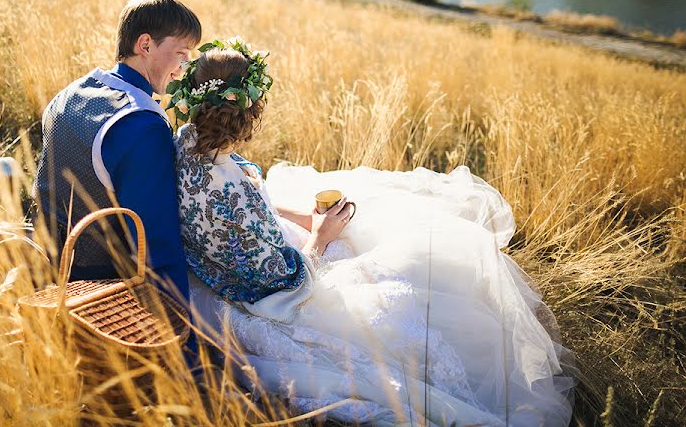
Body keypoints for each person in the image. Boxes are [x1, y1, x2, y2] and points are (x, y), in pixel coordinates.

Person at [170, 38, 576, 426]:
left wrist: (308, 220)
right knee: (400, 275)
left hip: (238, 252)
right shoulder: (233, 194)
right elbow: (287, 285)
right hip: (270, 294)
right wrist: (322, 237)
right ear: (249, 112)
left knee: (370, 224)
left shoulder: (185, 143)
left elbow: (251, 203)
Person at [33, 0, 200, 302]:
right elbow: (156, 247)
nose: (183, 67)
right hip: (102, 287)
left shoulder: (72, 91)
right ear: (145, 45)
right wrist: (182, 345)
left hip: (46, 262)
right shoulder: (142, 125)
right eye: (181, 53)